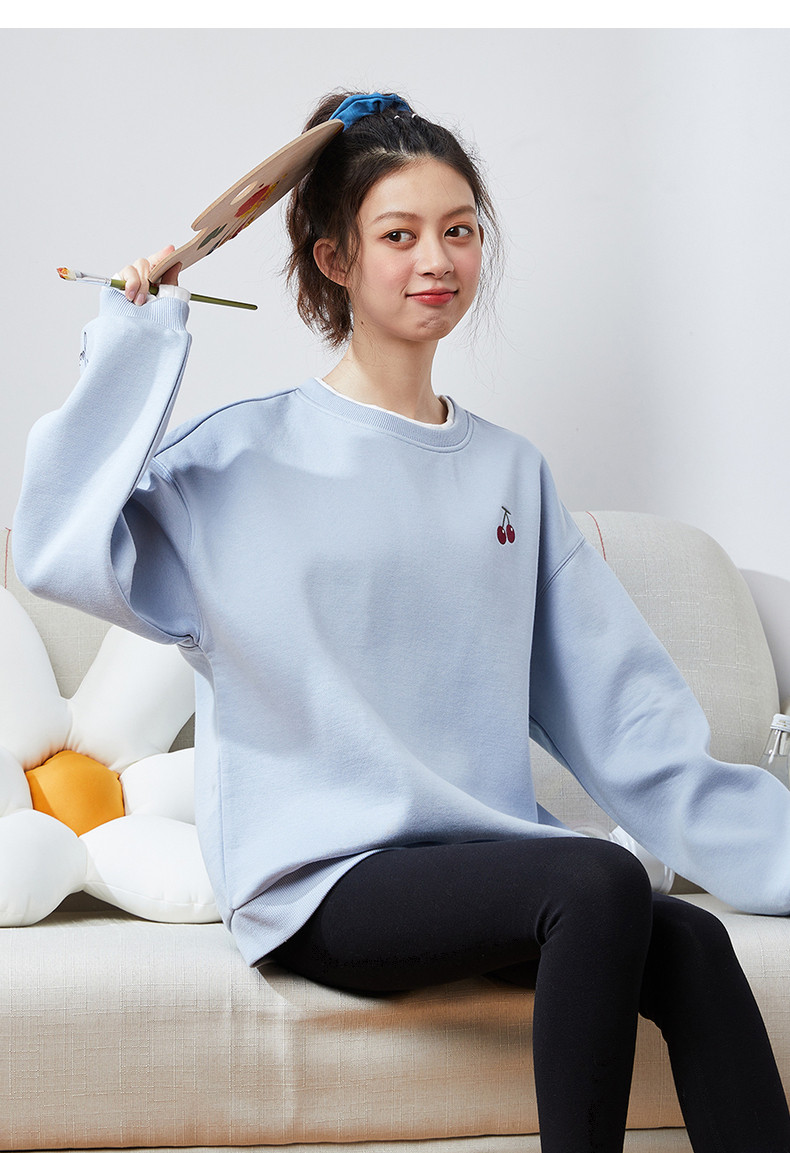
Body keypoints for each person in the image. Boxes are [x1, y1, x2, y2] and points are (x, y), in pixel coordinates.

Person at [12, 90, 790, 1152]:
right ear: (334, 259)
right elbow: (59, 550)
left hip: (482, 867)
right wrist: (132, 345)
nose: (438, 259)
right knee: (596, 874)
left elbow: (628, 723)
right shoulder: (239, 461)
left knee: (692, 944)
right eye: (400, 234)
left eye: (459, 230)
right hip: (318, 881)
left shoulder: (511, 473)